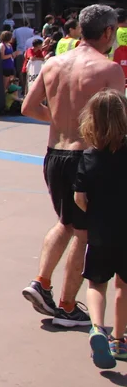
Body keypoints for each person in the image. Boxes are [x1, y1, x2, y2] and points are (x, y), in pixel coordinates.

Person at [22, 4, 123, 328]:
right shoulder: (108, 69)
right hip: (86, 156)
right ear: (107, 31)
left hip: (55, 154)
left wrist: (61, 120)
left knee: (66, 222)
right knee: (84, 231)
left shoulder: (54, 63)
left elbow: (28, 107)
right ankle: (67, 306)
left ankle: (41, 282)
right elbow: (116, 121)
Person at [73, 90, 127, 369]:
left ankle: (97, 328)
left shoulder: (89, 157)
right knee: (124, 286)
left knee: (96, 283)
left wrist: (94, 214)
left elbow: (79, 198)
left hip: (100, 231)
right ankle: (119, 339)